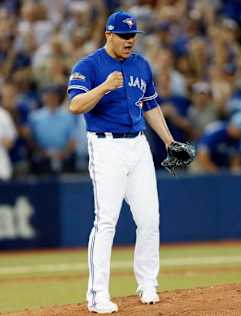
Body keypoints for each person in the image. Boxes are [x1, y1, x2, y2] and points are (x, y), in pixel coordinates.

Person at [67, 11, 176, 314]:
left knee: (149, 218)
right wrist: (103, 87)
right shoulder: (88, 66)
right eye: (124, 36)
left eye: (133, 36)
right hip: (106, 147)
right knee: (106, 221)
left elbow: (150, 104)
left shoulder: (141, 64)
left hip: (138, 145)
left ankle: (148, 284)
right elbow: (75, 105)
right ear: (109, 35)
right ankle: (97, 294)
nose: (130, 41)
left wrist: (169, 141)